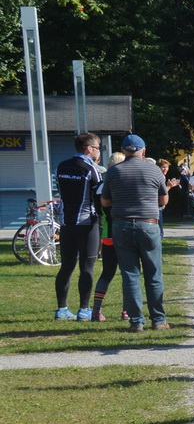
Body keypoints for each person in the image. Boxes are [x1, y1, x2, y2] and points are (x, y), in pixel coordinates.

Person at [101, 135, 170, 331]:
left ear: (123, 151)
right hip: (148, 225)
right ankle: (158, 320)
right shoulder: (154, 170)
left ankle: (136, 321)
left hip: (121, 225)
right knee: (153, 274)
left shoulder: (113, 172)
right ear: (144, 150)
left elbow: (105, 202)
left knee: (130, 275)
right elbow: (163, 201)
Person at [53, 132, 105, 321]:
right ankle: (84, 309)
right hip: (87, 223)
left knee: (66, 266)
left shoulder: (62, 165)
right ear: (89, 149)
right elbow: (99, 195)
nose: (99, 152)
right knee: (87, 267)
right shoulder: (91, 168)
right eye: (98, 147)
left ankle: (61, 309)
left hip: (66, 223)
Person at [88, 155, 128, 323]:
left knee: (106, 273)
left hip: (107, 235)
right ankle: (127, 311)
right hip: (124, 233)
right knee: (128, 274)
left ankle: (96, 310)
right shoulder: (124, 185)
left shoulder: (99, 187)